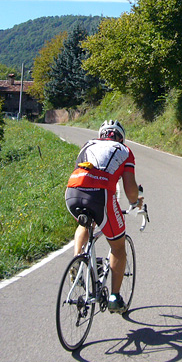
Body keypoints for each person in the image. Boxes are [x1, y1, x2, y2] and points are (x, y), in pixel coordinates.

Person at [64, 120, 143, 313]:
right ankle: (115, 298)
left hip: (72, 193)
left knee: (85, 222)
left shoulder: (88, 144)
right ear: (121, 137)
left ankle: (78, 261)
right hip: (100, 196)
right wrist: (135, 202)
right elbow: (130, 188)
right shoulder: (124, 150)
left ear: (102, 135)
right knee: (117, 247)